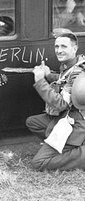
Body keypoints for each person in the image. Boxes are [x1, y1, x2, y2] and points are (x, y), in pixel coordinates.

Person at [26, 32, 85, 171]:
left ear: (74, 48)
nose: (59, 50)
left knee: (39, 163)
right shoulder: (71, 65)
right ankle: (61, 145)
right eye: (56, 46)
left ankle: (80, 153)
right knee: (33, 122)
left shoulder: (77, 72)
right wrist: (48, 75)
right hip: (67, 116)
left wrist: (40, 81)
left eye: (64, 46)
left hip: (75, 122)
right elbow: (64, 80)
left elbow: (61, 104)